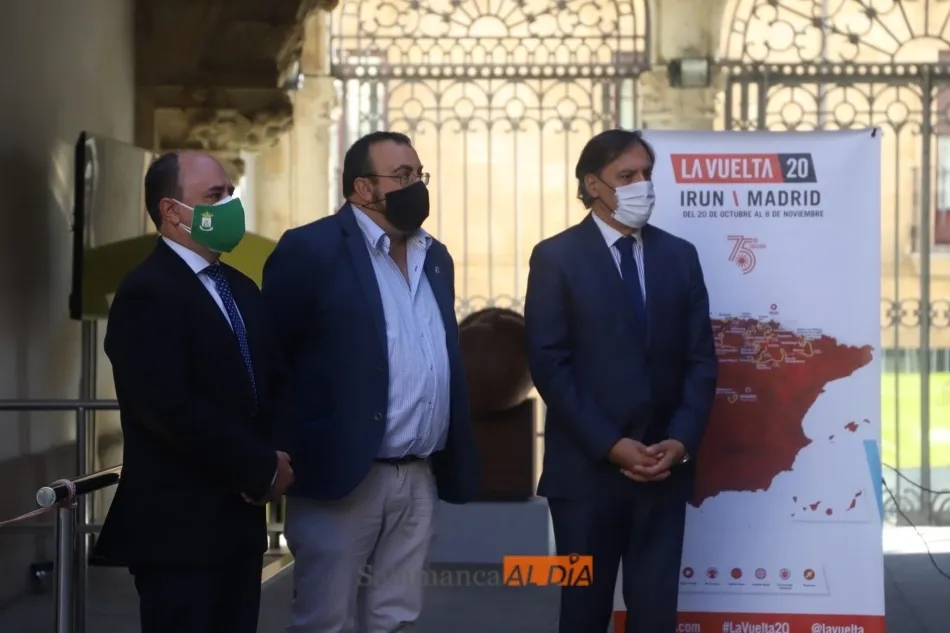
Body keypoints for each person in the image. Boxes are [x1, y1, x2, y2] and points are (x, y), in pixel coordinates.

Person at [261, 131, 480, 633]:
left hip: (419, 473)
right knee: (326, 619)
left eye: (419, 175)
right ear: (363, 188)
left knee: (396, 616)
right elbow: (272, 358)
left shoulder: (435, 256)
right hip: (342, 473)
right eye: (402, 176)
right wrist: (278, 453)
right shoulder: (311, 250)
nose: (416, 186)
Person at [523, 129, 718, 633]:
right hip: (585, 476)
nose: (641, 186)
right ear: (593, 185)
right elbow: (549, 363)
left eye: (647, 174)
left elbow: (701, 360)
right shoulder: (556, 258)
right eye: (626, 176)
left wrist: (680, 441)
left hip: (663, 471)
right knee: (583, 614)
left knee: (655, 614)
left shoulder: (679, 256)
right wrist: (611, 445)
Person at [93, 150, 294, 633]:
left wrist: (277, 458)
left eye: (230, 193)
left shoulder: (240, 286)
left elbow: (265, 383)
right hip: (179, 532)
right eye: (214, 196)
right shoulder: (147, 291)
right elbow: (169, 407)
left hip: (239, 527)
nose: (230, 206)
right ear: (171, 210)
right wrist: (259, 468)